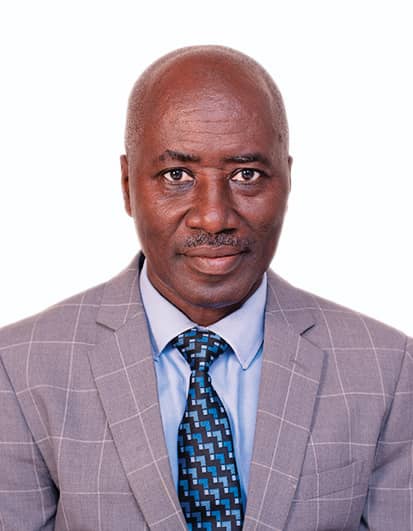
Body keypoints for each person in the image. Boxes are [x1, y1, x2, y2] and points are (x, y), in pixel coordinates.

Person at [0, 45, 411, 531]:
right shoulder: (20, 370)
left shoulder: (388, 370)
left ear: (287, 180)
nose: (213, 217)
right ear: (128, 185)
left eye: (246, 175)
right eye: (177, 175)